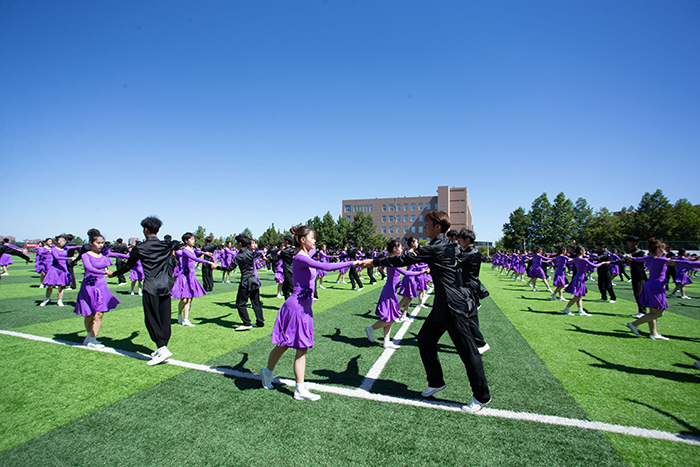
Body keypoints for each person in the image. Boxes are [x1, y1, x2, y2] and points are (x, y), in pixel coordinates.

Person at [358, 211, 490, 413]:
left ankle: (482, 396)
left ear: (438, 226)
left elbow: (402, 260)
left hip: (453, 305)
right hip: (443, 303)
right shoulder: (449, 245)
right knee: (425, 339)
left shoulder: (434, 247)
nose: (424, 226)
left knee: (467, 350)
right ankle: (436, 382)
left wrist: (375, 262)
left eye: (427, 223)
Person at [261, 226, 358, 401]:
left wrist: (298, 235)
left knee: (298, 346)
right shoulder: (300, 257)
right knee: (288, 345)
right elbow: (326, 267)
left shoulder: (307, 254)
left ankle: (273, 375)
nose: (315, 241)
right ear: (303, 240)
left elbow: (316, 252)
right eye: (312, 237)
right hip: (296, 307)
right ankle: (289, 383)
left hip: (305, 307)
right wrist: (353, 263)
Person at [107, 216, 182, 366]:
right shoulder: (166, 246)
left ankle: (162, 348)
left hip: (151, 287)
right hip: (165, 287)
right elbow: (177, 244)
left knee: (151, 318)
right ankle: (162, 347)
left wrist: (113, 274)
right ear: (158, 230)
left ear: (145, 229)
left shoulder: (140, 248)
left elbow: (127, 266)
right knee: (165, 318)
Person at [626, 238, 699, 340]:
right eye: (663, 249)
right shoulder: (661, 259)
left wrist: (631, 258)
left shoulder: (649, 258)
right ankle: (634, 324)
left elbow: (636, 259)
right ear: (658, 249)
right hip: (656, 286)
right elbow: (685, 264)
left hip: (649, 285)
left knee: (652, 312)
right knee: (658, 313)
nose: (664, 251)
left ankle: (653, 334)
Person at [365, 239, 425, 349]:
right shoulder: (393, 261)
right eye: (400, 247)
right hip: (389, 291)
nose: (402, 249)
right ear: (394, 249)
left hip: (392, 290)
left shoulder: (392, 260)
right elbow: (406, 273)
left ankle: (386, 341)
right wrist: (422, 271)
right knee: (390, 318)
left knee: (391, 317)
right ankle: (371, 329)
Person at [74, 233, 121, 349]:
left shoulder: (104, 255)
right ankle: (89, 335)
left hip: (102, 285)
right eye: (98, 243)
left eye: (102, 243)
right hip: (89, 286)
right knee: (89, 314)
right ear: (91, 243)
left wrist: (134, 255)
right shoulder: (85, 255)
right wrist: (103, 272)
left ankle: (93, 339)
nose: (100, 245)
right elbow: (89, 267)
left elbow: (117, 255)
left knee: (99, 313)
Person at [455, 229, 490, 355]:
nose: (459, 242)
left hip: (468, 288)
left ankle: (481, 343)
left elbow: (454, 264)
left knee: (468, 317)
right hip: (471, 287)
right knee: (472, 316)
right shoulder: (472, 252)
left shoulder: (469, 253)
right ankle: (475, 342)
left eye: (460, 239)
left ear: (467, 239)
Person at [171, 232, 217, 327]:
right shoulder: (184, 251)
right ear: (186, 241)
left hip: (191, 276)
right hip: (184, 276)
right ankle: (179, 314)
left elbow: (198, 252)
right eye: (191, 239)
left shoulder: (192, 250)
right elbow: (195, 259)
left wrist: (206, 253)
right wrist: (209, 262)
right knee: (184, 299)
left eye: (193, 239)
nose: (193, 241)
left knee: (190, 298)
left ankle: (185, 319)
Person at [230, 234, 266, 331]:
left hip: (246, 281)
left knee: (240, 303)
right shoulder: (251, 253)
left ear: (240, 243)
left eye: (236, 242)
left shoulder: (239, 256)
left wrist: (216, 267)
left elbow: (230, 268)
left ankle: (246, 323)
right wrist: (264, 255)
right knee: (256, 302)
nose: (236, 244)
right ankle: (260, 322)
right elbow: (260, 254)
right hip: (254, 280)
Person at [561, 246, 609, 316]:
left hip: (578, 278)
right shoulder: (583, 260)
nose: (585, 251)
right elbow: (594, 265)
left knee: (579, 296)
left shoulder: (576, 259)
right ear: (581, 252)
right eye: (584, 250)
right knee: (577, 296)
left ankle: (581, 311)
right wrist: (603, 263)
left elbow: (570, 261)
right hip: (579, 279)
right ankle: (567, 309)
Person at [40, 236, 82, 306]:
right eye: (61, 241)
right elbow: (57, 257)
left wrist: (87, 245)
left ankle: (59, 300)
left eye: (63, 241)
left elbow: (75, 246)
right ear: (56, 242)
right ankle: (47, 298)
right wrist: (69, 258)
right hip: (55, 268)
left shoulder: (65, 248)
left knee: (61, 285)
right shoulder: (53, 249)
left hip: (63, 268)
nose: (63, 242)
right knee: (50, 285)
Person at [626, 235, 648, 319]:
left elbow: (640, 261)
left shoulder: (640, 252)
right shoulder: (631, 251)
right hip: (634, 273)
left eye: (629, 242)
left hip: (639, 274)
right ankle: (640, 310)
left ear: (635, 242)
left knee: (639, 292)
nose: (628, 243)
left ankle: (642, 311)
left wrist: (631, 258)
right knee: (636, 292)